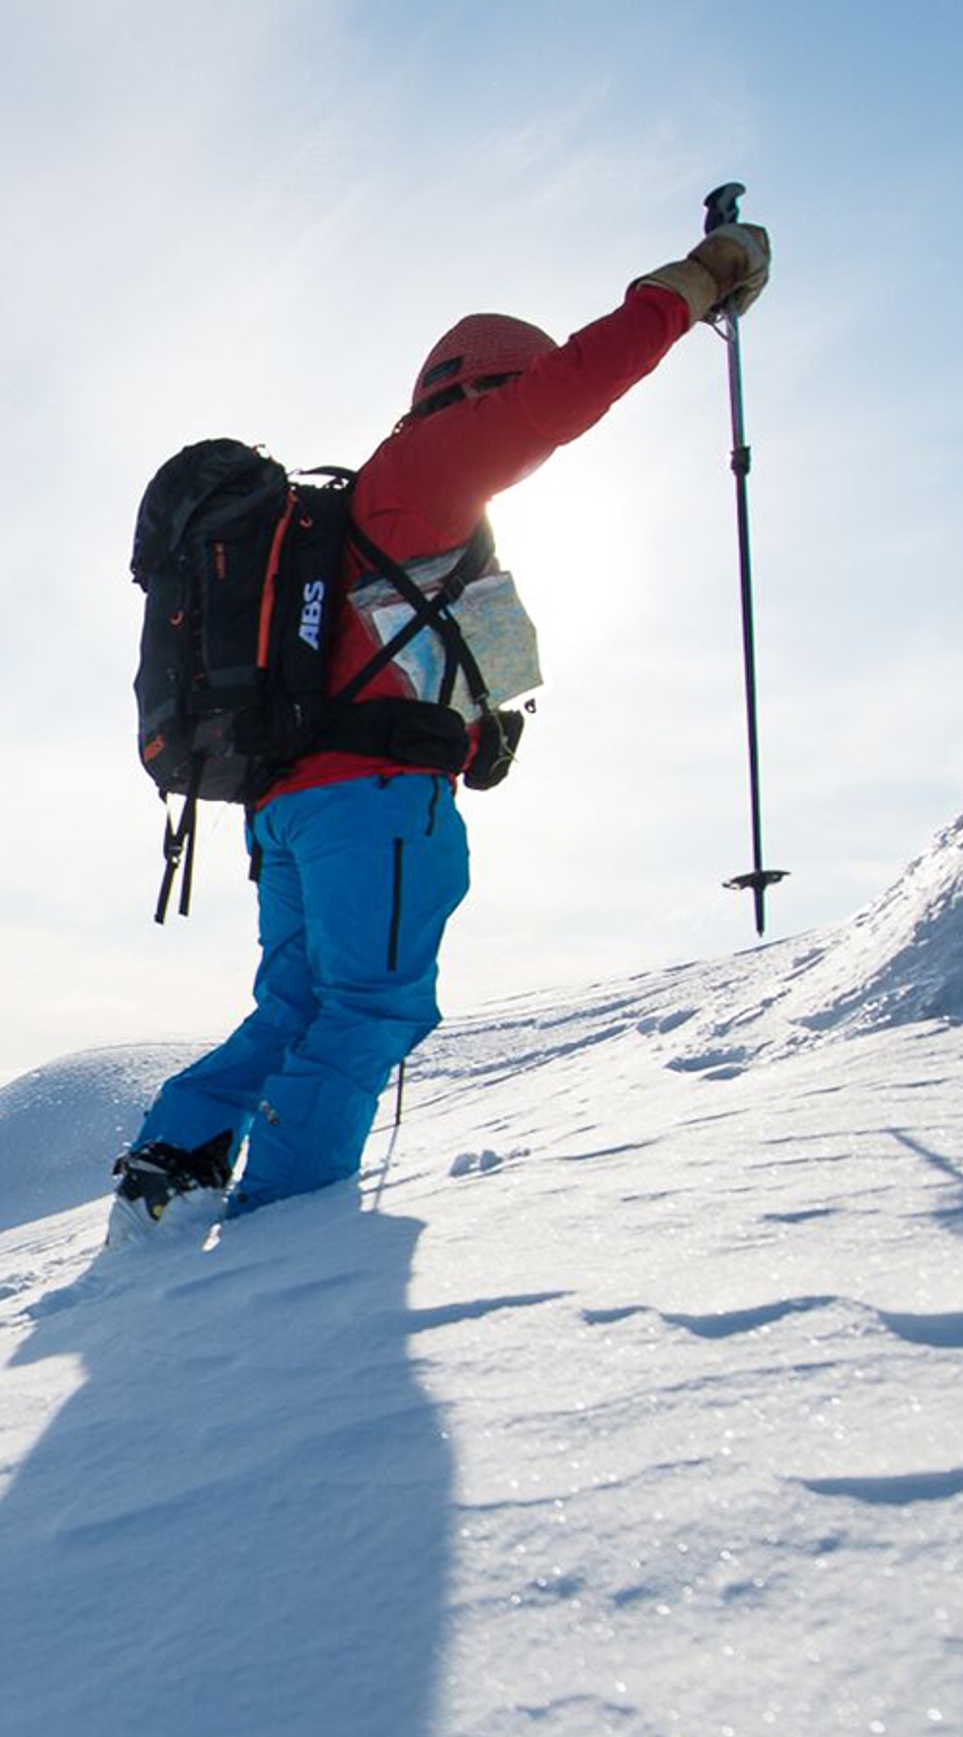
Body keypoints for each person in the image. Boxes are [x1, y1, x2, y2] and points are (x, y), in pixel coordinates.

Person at [117, 216, 772, 1218]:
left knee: (296, 1005)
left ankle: (172, 1159)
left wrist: (470, 735)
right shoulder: (427, 471)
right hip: (369, 804)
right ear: (480, 389)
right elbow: (564, 399)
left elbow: (377, 657)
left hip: (291, 805)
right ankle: (276, 1238)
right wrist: (690, 286)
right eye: (512, 392)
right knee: (373, 1006)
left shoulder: (380, 510)